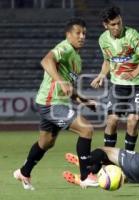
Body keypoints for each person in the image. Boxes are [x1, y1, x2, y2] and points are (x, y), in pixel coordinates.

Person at [13, 18, 98, 190]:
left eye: (84, 34)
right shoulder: (65, 47)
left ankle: (24, 172)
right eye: (78, 33)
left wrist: (84, 100)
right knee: (86, 129)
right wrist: (60, 81)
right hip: (51, 103)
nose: (82, 37)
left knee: (46, 143)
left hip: (54, 103)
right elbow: (46, 61)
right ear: (68, 35)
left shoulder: (77, 59)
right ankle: (86, 176)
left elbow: (69, 88)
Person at [90, 6, 139, 151]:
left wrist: (133, 74)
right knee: (112, 120)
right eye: (113, 24)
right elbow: (108, 61)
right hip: (118, 85)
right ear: (105, 25)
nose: (117, 26)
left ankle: (128, 158)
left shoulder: (132, 35)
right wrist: (101, 75)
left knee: (133, 120)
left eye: (119, 22)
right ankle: (107, 158)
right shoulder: (103, 40)